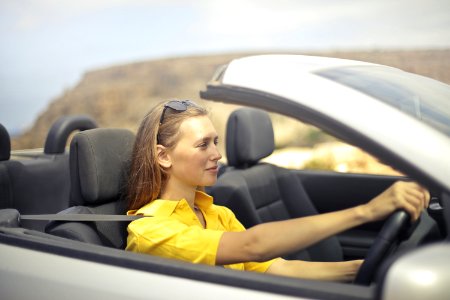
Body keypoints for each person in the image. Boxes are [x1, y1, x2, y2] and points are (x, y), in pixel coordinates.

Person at [125, 100, 430, 282]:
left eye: (215, 142)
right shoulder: (150, 230)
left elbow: (277, 268)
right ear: (163, 156)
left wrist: (368, 269)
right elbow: (252, 246)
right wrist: (366, 212)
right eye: (203, 144)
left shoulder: (217, 213)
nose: (217, 154)